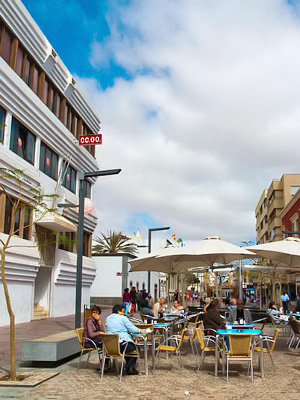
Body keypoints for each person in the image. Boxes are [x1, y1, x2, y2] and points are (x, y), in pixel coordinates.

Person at [105, 304, 142, 375]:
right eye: (122, 312)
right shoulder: (123, 318)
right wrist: (141, 330)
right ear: (118, 312)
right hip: (121, 345)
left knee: (129, 348)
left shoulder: (108, 318)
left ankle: (129, 367)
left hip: (109, 346)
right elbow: (133, 329)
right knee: (136, 348)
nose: (124, 313)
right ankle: (130, 367)